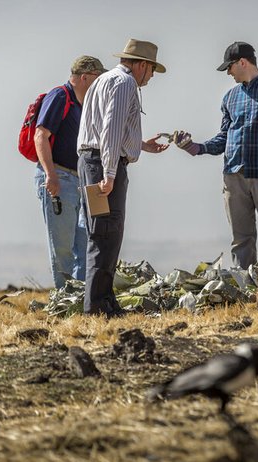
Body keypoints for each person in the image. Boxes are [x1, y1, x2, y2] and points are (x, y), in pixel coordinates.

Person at [174, 41, 258, 272]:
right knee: (241, 240)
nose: (228, 73)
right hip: (233, 177)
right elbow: (224, 138)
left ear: (242, 62)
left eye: (229, 67)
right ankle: (246, 292)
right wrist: (195, 147)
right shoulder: (229, 98)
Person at [77, 39, 170, 317]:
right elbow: (110, 129)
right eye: (152, 70)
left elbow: (105, 127)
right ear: (142, 65)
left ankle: (103, 301)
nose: (151, 77)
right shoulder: (125, 83)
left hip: (91, 161)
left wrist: (140, 144)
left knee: (102, 234)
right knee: (106, 233)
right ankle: (97, 306)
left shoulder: (103, 80)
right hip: (102, 164)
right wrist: (109, 174)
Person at [34, 55, 105, 290]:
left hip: (79, 180)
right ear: (84, 77)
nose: (100, 83)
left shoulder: (83, 104)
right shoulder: (59, 97)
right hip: (60, 178)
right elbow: (40, 136)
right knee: (62, 246)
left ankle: (81, 297)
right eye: (97, 77)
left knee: (85, 242)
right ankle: (65, 298)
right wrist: (50, 175)